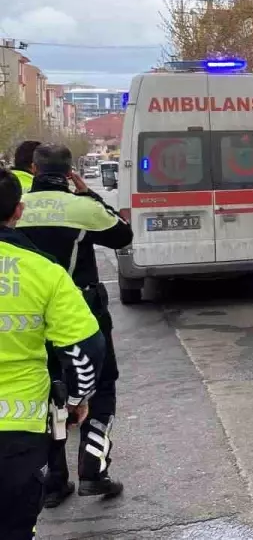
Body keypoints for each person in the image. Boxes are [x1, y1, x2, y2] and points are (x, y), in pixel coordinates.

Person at [16, 144, 133, 505]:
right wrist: (90, 193)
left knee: (49, 389)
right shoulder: (82, 208)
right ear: (70, 172)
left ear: (34, 169)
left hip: (33, 313)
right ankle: (93, 471)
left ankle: (53, 480)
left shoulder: (17, 207)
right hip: (81, 309)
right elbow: (122, 235)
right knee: (102, 384)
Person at [0, 167, 107, 540]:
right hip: (17, 433)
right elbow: (85, 347)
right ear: (17, 212)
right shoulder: (44, 272)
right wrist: (77, 399)